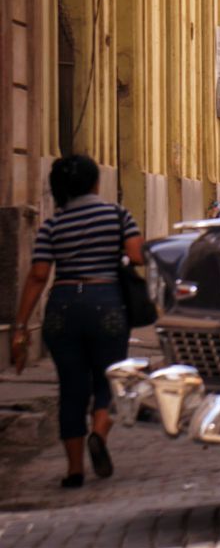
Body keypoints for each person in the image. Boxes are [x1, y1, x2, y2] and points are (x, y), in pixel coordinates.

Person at [10, 154, 143, 489]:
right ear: (95, 182)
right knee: (110, 378)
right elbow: (137, 255)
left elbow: (39, 275)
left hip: (62, 307)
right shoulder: (116, 215)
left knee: (71, 388)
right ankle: (98, 433)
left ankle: (73, 471)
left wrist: (21, 325)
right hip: (106, 302)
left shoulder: (53, 224)